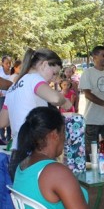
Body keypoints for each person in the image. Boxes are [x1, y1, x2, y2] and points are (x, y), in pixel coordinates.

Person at [0, 48, 72, 180]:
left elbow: (3, 121)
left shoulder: (13, 88)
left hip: (17, 155)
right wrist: (65, 101)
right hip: (35, 154)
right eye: (54, 73)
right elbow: (55, 98)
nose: (54, 79)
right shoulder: (34, 79)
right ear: (44, 64)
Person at [79, 46, 104, 158]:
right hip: (92, 119)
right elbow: (87, 94)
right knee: (91, 153)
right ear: (94, 57)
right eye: (103, 55)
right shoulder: (87, 73)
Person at [0, 55, 12, 142]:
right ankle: (2, 138)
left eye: (9, 63)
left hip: (10, 97)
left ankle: (9, 137)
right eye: (6, 63)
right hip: (1, 97)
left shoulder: (12, 72)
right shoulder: (0, 71)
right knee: (2, 115)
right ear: (2, 63)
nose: (8, 65)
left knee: (10, 116)